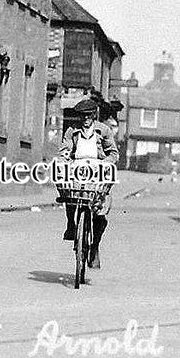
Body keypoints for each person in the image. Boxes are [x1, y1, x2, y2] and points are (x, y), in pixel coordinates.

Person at [58, 101, 118, 269]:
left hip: (97, 170)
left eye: (89, 115)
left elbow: (113, 153)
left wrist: (105, 163)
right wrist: (64, 161)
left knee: (99, 213)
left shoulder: (103, 131)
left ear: (94, 115)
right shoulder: (72, 131)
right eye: (83, 116)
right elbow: (65, 151)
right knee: (65, 186)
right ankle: (71, 223)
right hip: (77, 168)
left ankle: (94, 246)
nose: (85, 119)